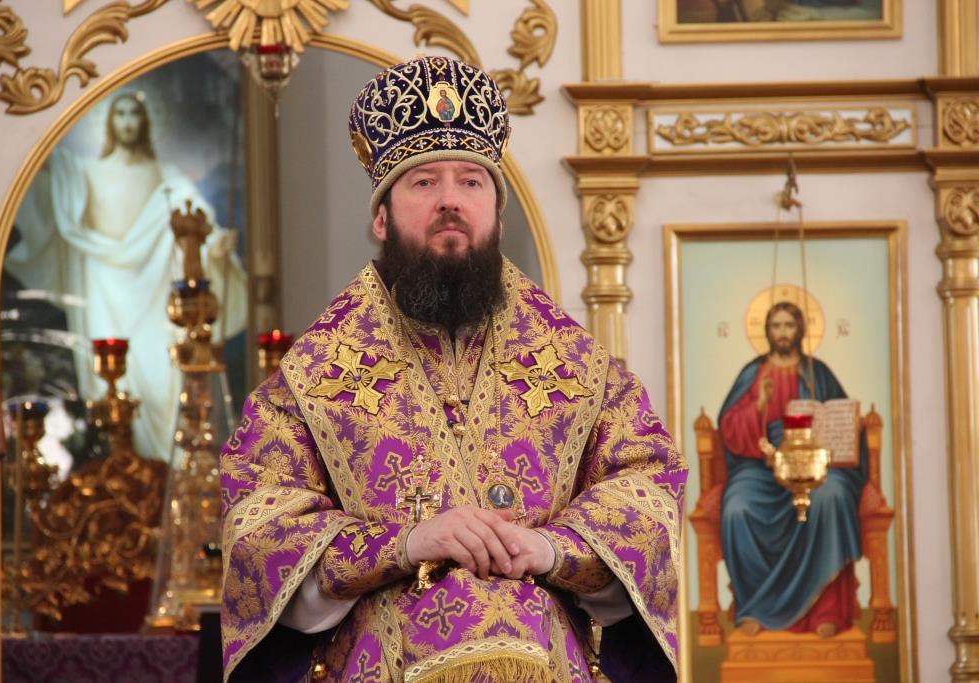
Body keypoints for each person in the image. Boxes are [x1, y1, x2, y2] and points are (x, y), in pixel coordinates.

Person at [220, 56, 687, 682]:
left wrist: (550, 548)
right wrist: (405, 544)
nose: (450, 201)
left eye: (471, 182)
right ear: (381, 217)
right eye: (423, 182)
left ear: (497, 212)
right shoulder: (310, 379)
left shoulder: (581, 368)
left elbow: (650, 488)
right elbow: (256, 528)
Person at [5, 92, 246, 461]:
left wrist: (216, 245)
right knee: (111, 381)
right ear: (109, 123)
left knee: (163, 381)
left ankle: (172, 467)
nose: (128, 121)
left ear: (146, 121)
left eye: (135, 113)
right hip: (103, 287)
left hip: (155, 293)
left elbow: (198, 221)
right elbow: (49, 177)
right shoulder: (84, 170)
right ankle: (118, 462)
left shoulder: (166, 176)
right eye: (121, 114)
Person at [718, 301, 867, 637]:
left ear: (800, 329)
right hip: (761, 464)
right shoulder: (753, 374)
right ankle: (755, 607)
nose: (783, 333)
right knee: (737, 508)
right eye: (776, 326)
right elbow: (728, 427)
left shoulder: (818, 372)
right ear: (767, 331)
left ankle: (826, 610)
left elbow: (842, 416)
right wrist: (758, 404)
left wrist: (846, 427)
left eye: (789, 325)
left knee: (834, 495)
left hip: (816, 462)